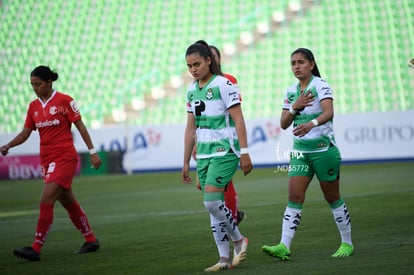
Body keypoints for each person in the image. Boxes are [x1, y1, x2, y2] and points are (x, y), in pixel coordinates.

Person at [0, 65, 102, 261]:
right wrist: (9, 145)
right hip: (46, 160)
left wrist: (93, 152)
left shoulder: (65, 101)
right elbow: (25, 133)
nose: (35, 88)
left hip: (65, 158)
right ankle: (91, 239)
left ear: (49, 82)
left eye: (38, 84)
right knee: (68, 201)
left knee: (46, 199)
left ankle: (36, 248)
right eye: (32, 85)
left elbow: (80, 125)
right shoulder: (33, 107)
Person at [261, 48, 354, 260]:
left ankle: (347, 243)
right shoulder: (291, 91)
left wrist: (311, 124)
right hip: (301, 154)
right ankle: (284, 245)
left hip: (324, 152)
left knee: (332, 197)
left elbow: (329, 112)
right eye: (293, 63)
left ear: (311, 64)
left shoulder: (320, 85)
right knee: (294, 197)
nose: (296, 66)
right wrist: (295, 106)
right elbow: (283, 124)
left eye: (301, 62)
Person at [182, 40, 253, 272]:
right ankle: (223, 259)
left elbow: (239, 119)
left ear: (209, 61)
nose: (193, 69)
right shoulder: (192, 90)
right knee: (214, 207)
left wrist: (244, 152)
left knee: (212, 201)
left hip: (225, 151)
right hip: (203, 155)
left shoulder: (224, 84)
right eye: (189, 65)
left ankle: (238, 240)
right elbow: (190, 128)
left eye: (197, 63)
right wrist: (185, 161)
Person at [191, 45, 245, 225]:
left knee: (224, 186)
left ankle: (233, 217)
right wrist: (196, 144)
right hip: (207, 145)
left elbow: (235, 112)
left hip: (224, 142)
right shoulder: (195, 87)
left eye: (214, 56)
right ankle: (227, 221)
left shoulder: (227, 81)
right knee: (210, 191)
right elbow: (198, 120)